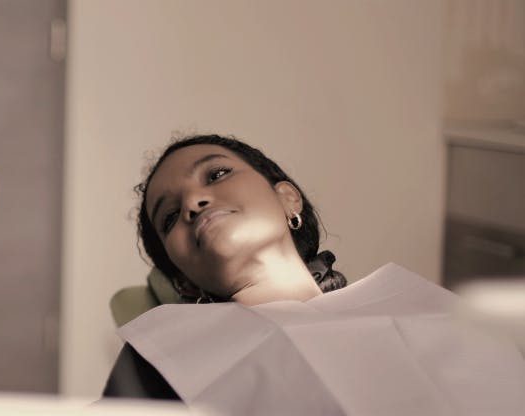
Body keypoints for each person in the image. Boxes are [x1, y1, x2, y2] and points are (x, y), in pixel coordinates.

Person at [103, 134, 525, 414]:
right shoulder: (162, 357)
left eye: (216, 174)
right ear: (183, 281)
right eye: (171, 216)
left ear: (288, 199)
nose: (194, 201)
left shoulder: (418, 308)